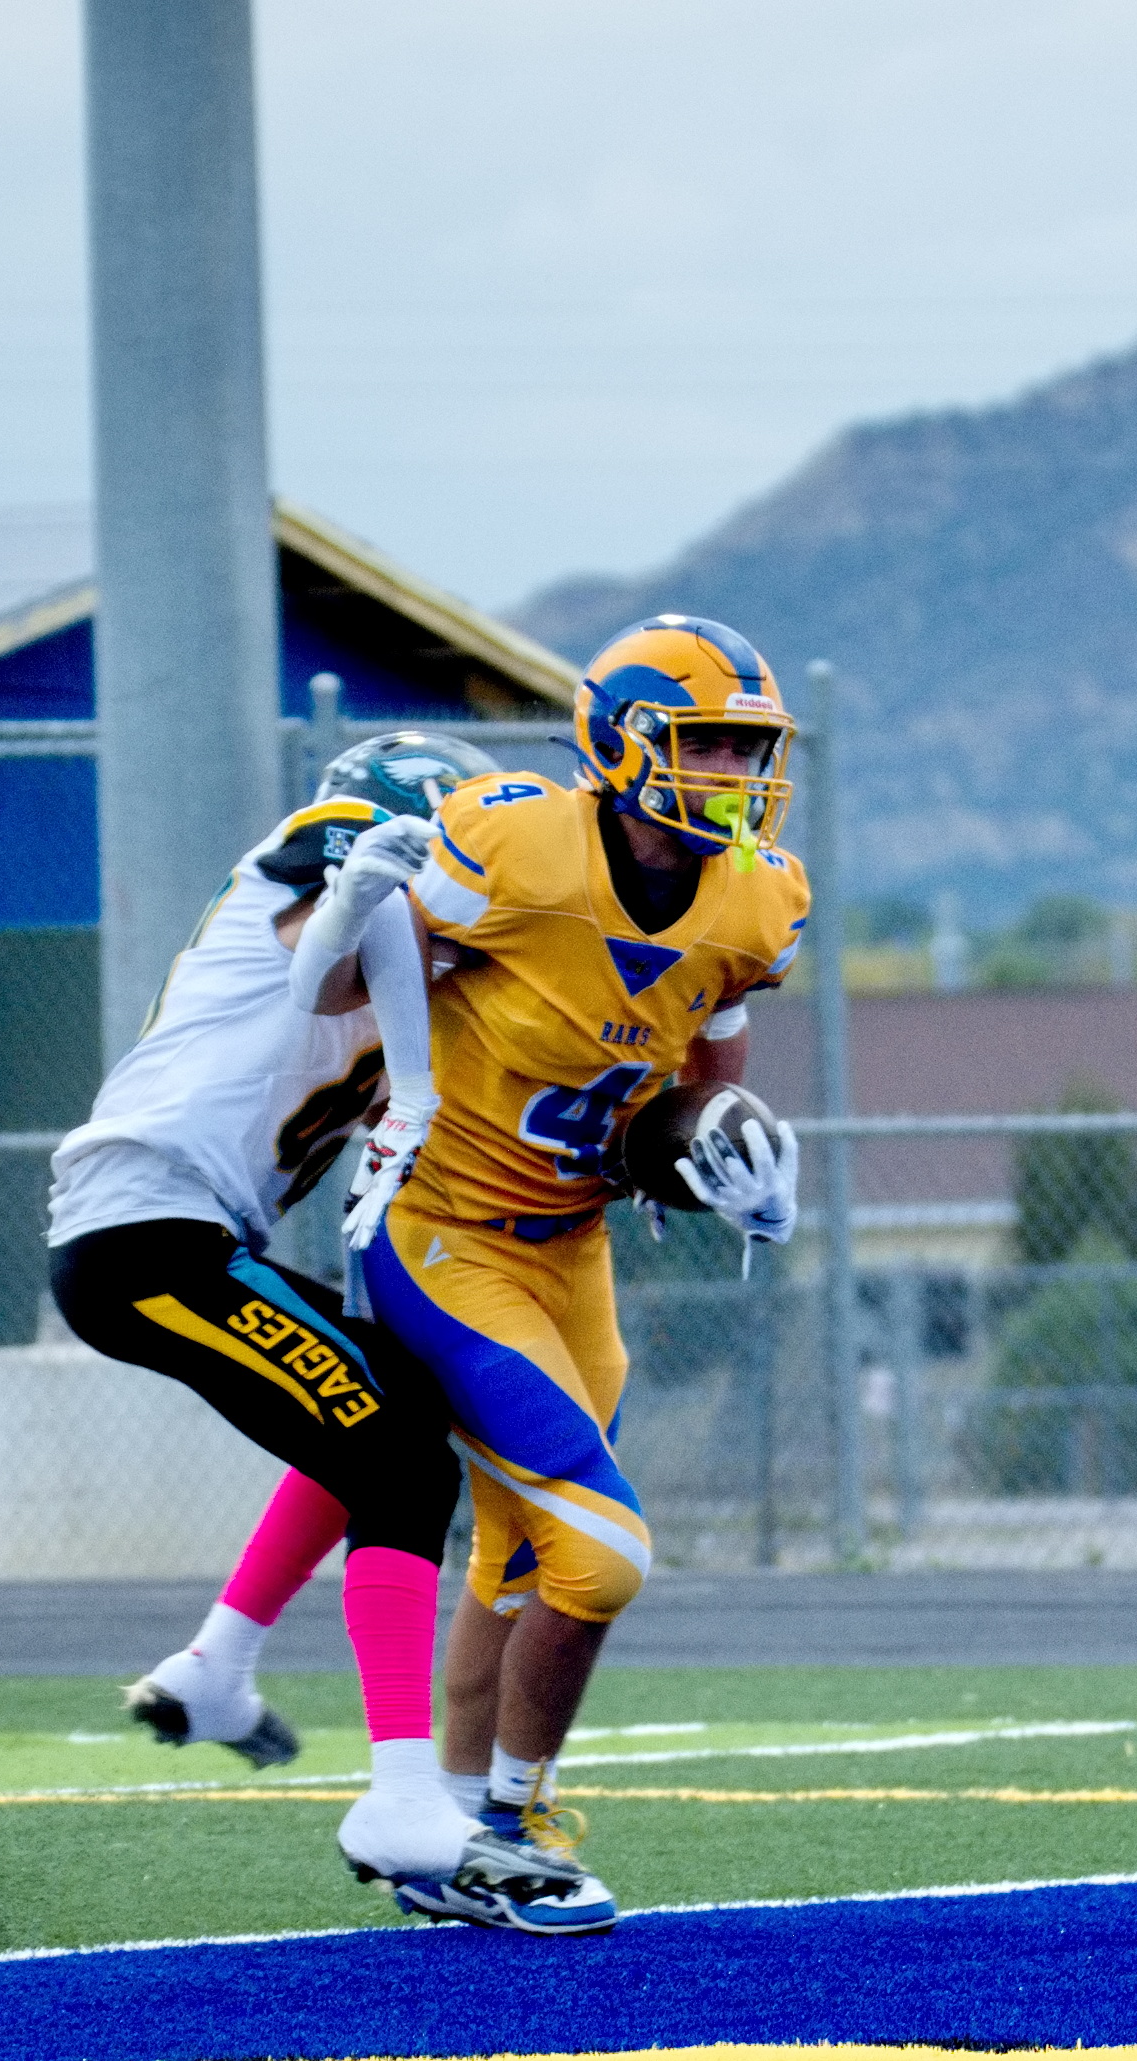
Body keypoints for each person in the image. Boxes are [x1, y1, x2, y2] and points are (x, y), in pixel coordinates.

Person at [46, 734, 602, 1926]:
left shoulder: (421, 952)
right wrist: (374, 891)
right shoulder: (334, 849)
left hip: (186, 1228)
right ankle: (401, 1792)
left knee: (392, 1393)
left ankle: (216, 1667)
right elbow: (321, 945)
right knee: (398, 1448)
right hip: (146, 1222)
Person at [365, 615, 807, 1920]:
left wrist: (717, 1148)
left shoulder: (754, 893)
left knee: (518, 1549)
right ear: (618, 739)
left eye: (747, 747)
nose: (731, 771)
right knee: (599, 1550)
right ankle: (503, 1817)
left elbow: (703, 1070)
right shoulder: (513, 844)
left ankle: (453, 1827)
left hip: (571, 1240)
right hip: (441, 1228)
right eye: (705, 742)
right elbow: (352, 986)